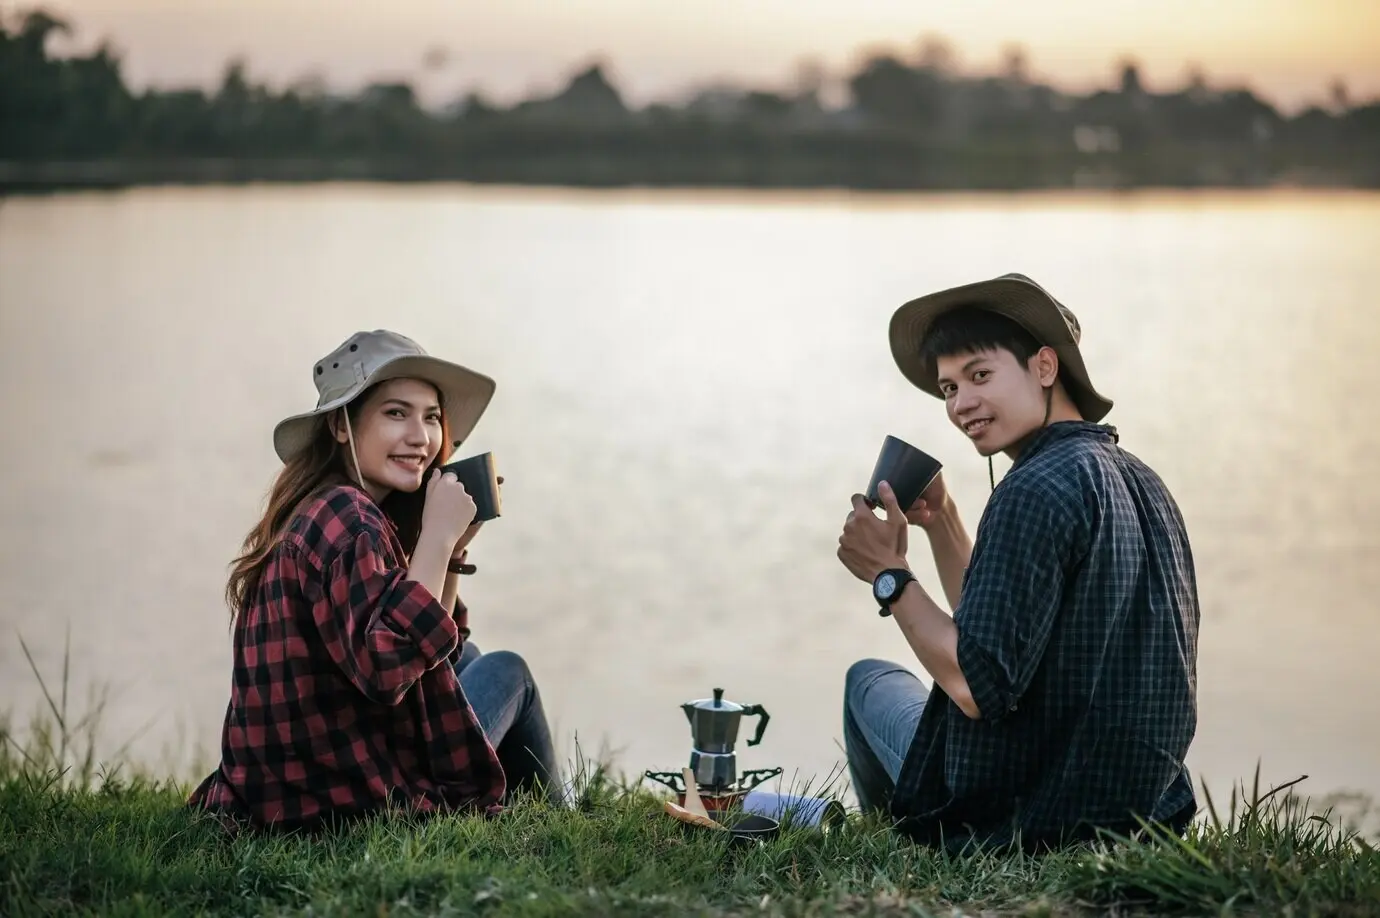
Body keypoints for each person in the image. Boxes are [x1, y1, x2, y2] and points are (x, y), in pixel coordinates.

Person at [836, 273, 1200, 853]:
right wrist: (945, 521)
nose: (961, 405)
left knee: (870, 681)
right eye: (949, 388)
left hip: (1029, 811)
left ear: (1044, 368)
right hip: (1139, 807)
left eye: (980, 375)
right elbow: (1002, 640)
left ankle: (913, 849)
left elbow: (978, 687)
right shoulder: (1141, 480)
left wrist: (889, 576)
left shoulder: (1034, 488)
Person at [188, 329, 560, 832]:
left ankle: (527, 807)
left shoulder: (322, 506)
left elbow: (435, 651)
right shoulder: (350, 518)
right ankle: (557, 816)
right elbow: (390, 669)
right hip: (347, 799)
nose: (421, 437)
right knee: (509, 671)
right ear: (342, 426)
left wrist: (448, 549)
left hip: (286, 786)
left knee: (467, 658)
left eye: (431, 417)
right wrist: (434, 535)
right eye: (395, 413)